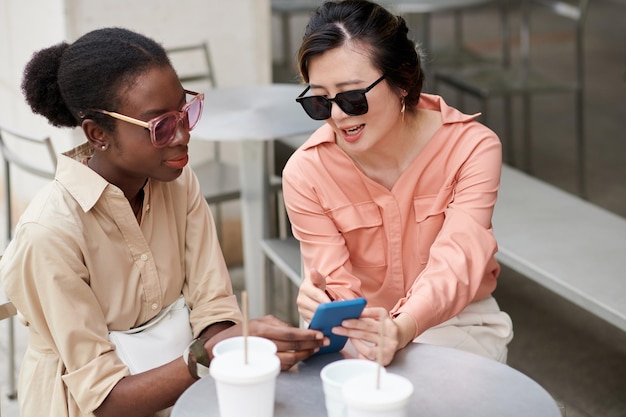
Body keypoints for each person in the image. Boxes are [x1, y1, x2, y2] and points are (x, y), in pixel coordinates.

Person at [0, 27, 325, 417]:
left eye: (185, 112)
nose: (184, 136)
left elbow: (212, 307)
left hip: (179, 394)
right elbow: (104, 400)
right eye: (161, 127)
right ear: (98, 134)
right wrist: (207, 355)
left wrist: (244, 343)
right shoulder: (50, 235)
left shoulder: (178, 181)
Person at [283, 0, 514, 367]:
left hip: (456, 322)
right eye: (321, 102)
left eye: (353, 96)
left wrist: (403, 327)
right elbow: (337, 290)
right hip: (359, 332)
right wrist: (323, 302)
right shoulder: (306, 173)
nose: (339, 116)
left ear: (403, 80)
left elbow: (459, 259)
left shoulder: (472, 148)